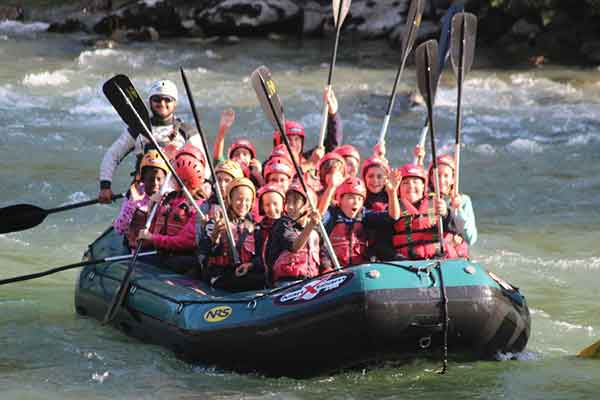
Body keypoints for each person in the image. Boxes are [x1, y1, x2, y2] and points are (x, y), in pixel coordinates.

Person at [98, 79, 203, 203]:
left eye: (167, 99)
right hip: (141, 195)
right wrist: (105, 186)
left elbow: (202, 164)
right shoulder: (136, 130)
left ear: (175, 104)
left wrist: (200, 186)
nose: (162, 103)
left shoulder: (187, 132)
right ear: (150, 102)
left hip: (175, 198)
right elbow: (113, 155)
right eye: (157, 99)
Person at [136, 144, 207, 273]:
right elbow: (152, 230)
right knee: (141, 256)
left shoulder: (199, 206)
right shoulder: (168, 197)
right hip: (162, 252)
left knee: (179, 263)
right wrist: (151, 209)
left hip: (182, 257)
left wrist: (153, 239)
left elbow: (185, 242)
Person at [317, 172, 401, 269]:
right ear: (340, 199)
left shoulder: (364, 215)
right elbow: (319, 215)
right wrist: (331, 187)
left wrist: (392, 193)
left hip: (359, 269)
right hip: (335, 270)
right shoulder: (332, 214)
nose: (356, 202)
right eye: (351, 197)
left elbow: (393, 216)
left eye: (360, 199)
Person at [198, 177, 263, 291]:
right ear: (230, 200)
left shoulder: (254, 226)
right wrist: (216, 235)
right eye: (239, 199)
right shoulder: (217, 221)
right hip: (220, 275)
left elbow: (259, 255)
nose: (243, 204)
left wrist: (250, 265)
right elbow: (204, 251)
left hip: (243, 271)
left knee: (261, 279)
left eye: (247, 200)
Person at [392, 163, 458, 260]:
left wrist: (446, 214)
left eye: (415, 182)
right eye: (405, 183)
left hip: (438, 258)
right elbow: (384, 241)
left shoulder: (437, 203)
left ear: (423, 186)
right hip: (407, 262)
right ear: (398, 188)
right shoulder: (394, 209)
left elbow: (455, 229)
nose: (411, 186)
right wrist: (396, 257)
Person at [265, 181, 322, 285]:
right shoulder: (282, 225)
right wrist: (311, 225)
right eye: (288, 202)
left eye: (295, 202)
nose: (290, 206)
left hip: (311, 282)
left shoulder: (316, 231)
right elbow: (295, 247)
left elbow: (324, 255)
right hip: (286, 283)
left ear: (308, 207)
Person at [113, 150, 169, 250]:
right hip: (139, 249)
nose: (155, 184)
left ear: (165, 179)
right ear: (143, 179)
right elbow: (119, 229)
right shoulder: (135, 196)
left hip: (159, 246)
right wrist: (132, 206)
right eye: (151, 179)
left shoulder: (169, 197)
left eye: (159, 179)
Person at [428, 154, 477, 257]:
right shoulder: (427, 200)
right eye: (437, 175)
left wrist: (458, 210)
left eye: (446, 176)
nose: (441, 180)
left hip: (455, 256)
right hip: (432, 253)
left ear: (453, 179)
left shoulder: (464, 201)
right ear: (431, 178)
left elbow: (471, 239)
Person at [253, 183, 285, 283]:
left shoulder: (290, 225)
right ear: (262, 207)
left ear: (283, 205)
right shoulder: (259, 229)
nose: (271, 208)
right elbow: (258, 255)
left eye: (275, 204)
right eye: (267, 205)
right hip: (267, 275)